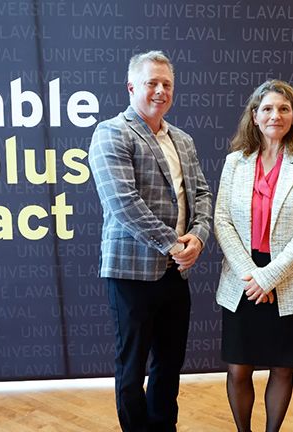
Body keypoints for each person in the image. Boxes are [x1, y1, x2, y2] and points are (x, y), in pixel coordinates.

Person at [88, 51, 213, 431]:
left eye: (167, 84)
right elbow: (123, 203)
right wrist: (174, 245)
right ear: (131, 87)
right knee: (132, 366)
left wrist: (198, 238)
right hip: (131, 272)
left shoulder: (184, 140)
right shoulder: (112, 132)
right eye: (151, 83)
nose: (160, 91)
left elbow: (203, 195)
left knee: (169, 365)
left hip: (177, 274)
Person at [214, 80, 293, 432]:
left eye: (283, 108)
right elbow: (222, 219)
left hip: (290, 278)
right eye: (267, 108)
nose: (274, 115)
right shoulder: (236, 162)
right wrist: (253, 276)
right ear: (254, 116)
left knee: (283, 367)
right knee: (238, 367)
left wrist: (269, 277)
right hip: (242, 278)